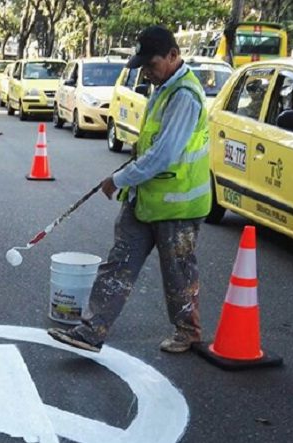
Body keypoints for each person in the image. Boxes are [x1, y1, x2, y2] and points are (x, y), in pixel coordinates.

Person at [47, 26, 211, 354]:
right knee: (118, 264)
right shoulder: (163, 88)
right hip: (146, 199)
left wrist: (120, 179)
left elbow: (165, 154)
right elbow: (149, 146)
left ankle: (187, 331)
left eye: (151, 64)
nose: (147, 72)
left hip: (177, 206)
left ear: (173, 55)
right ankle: (91, 331)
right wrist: (127, 173)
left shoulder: (184, 96)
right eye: (143, 67)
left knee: (178, 273)